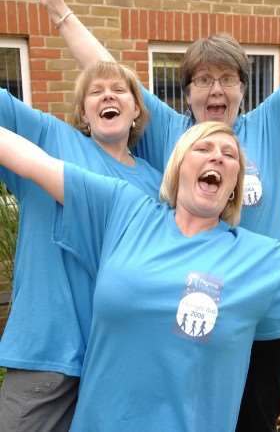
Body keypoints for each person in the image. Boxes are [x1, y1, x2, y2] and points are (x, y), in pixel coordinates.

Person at [32, 0, 280, 430]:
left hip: (263, 315)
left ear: (243, 90)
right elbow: (103, 68)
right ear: (186, 92)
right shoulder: (171, 133)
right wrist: (60, 12)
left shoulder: (270, 123)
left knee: (255, 419)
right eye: (203, 79)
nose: (216, 89)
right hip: (198, 312)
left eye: (227, 79)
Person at [0, 120, 280, 432]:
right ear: (178, 167)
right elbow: (32, 162)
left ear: (235, 183)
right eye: (203, 148)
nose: (217, 157)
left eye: (230, 155)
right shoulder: (124, 211)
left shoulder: (260, 261)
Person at [0, 61, 161, 431]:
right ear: (84, 113)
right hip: (45, 351)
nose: (108, 94)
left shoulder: (157, 186)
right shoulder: (50, 138)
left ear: (136, 110)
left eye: (120, 90)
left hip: (117, 361)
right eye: (95, 91)